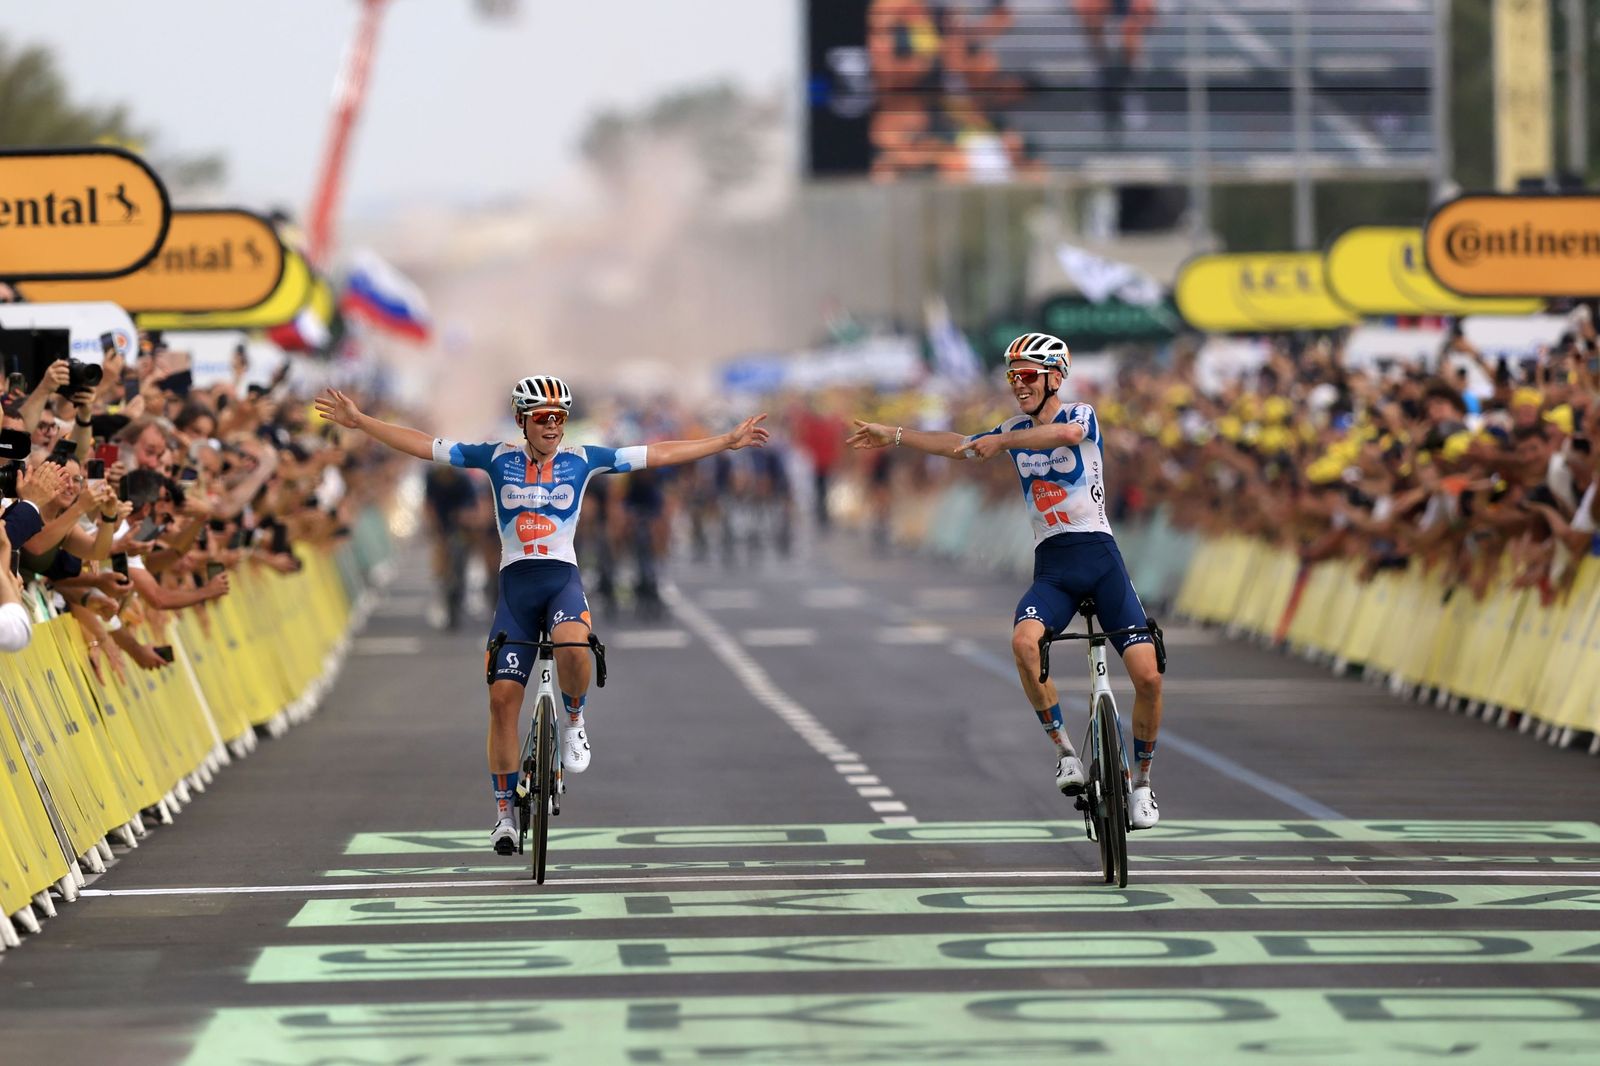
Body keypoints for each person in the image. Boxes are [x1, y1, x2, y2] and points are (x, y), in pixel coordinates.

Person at [315, 376, 770, 854]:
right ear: (522, 420)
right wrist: (360, 421)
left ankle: (574, 721)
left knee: (576, 646)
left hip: (561, 581)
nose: (553, 426)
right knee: (502, 701)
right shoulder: (496, 458)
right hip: (515, 589)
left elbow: (656, 454)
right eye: (542, 418)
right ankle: (504, 814)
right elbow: (425, 447)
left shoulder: (583, 459)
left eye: (559, 418)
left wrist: (725, 441)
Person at [847, 332, 1165, 828]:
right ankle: (1064, 751)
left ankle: (1142, 782)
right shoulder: (1011, 427)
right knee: (1023, 643)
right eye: (1012, 376)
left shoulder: (1081, 414)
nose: (1018, 385)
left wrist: (1004, 440)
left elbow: (1060, 438)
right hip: (1054, 567)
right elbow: (958, 447)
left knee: (1148, 676)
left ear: (1055, 377)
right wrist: (897, 435)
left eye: (1027, 375)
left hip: (1102, 559)